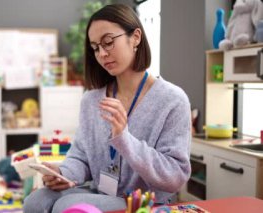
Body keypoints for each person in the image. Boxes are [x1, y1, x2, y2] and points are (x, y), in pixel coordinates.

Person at [24, 4, 191, 213]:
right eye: (95, 47)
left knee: (66, 207)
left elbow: (175, 177)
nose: (102, 53)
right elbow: (80, 156)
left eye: (108, 42)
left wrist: (124, 139)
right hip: (102, 193)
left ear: (136, 37)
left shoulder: (173, 100)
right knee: (35, 201)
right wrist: (63, 173)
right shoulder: (91, 100)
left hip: (144, 202)